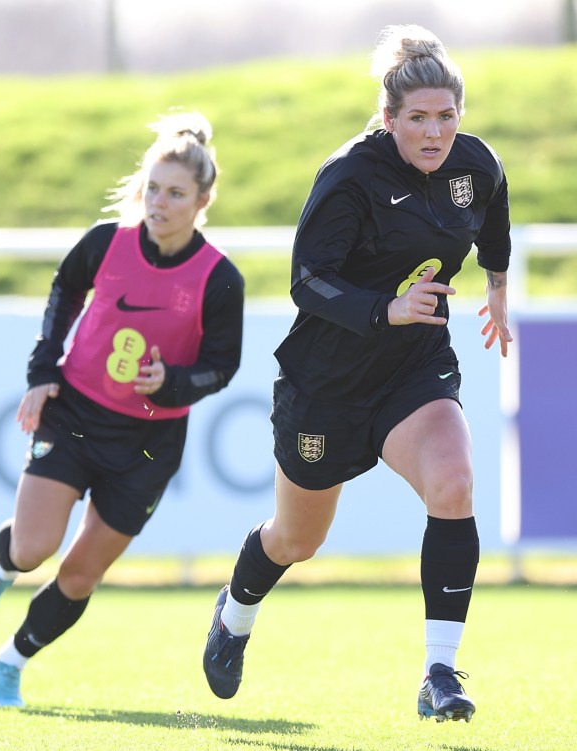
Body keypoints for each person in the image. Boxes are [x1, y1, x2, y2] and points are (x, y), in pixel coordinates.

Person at [201, 25, 512, 723]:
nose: (434, 133)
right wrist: (388, 307)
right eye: (417, 119)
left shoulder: (474, 163)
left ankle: (439, 673)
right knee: (297, 540)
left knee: (454, 483)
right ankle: (236, 612)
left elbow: (492, 216)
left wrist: (497, 284)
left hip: (414, 368)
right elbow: (308, 282)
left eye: (447, 117)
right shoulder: (349, 178)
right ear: (387, 118)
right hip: (327, 382)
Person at [0, 112, 244, 708]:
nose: (159, 202)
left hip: (147, 444)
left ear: (203, 200)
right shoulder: (105, 242)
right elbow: (63, 297)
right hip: (75, 414)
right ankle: (1, 568)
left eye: (176, 193)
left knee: (81, 574)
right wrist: (42, 374)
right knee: (34, 547)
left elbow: (222, 365)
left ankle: (10, 662)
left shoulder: (220, 278)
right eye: (153, 188)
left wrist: (171, 383)